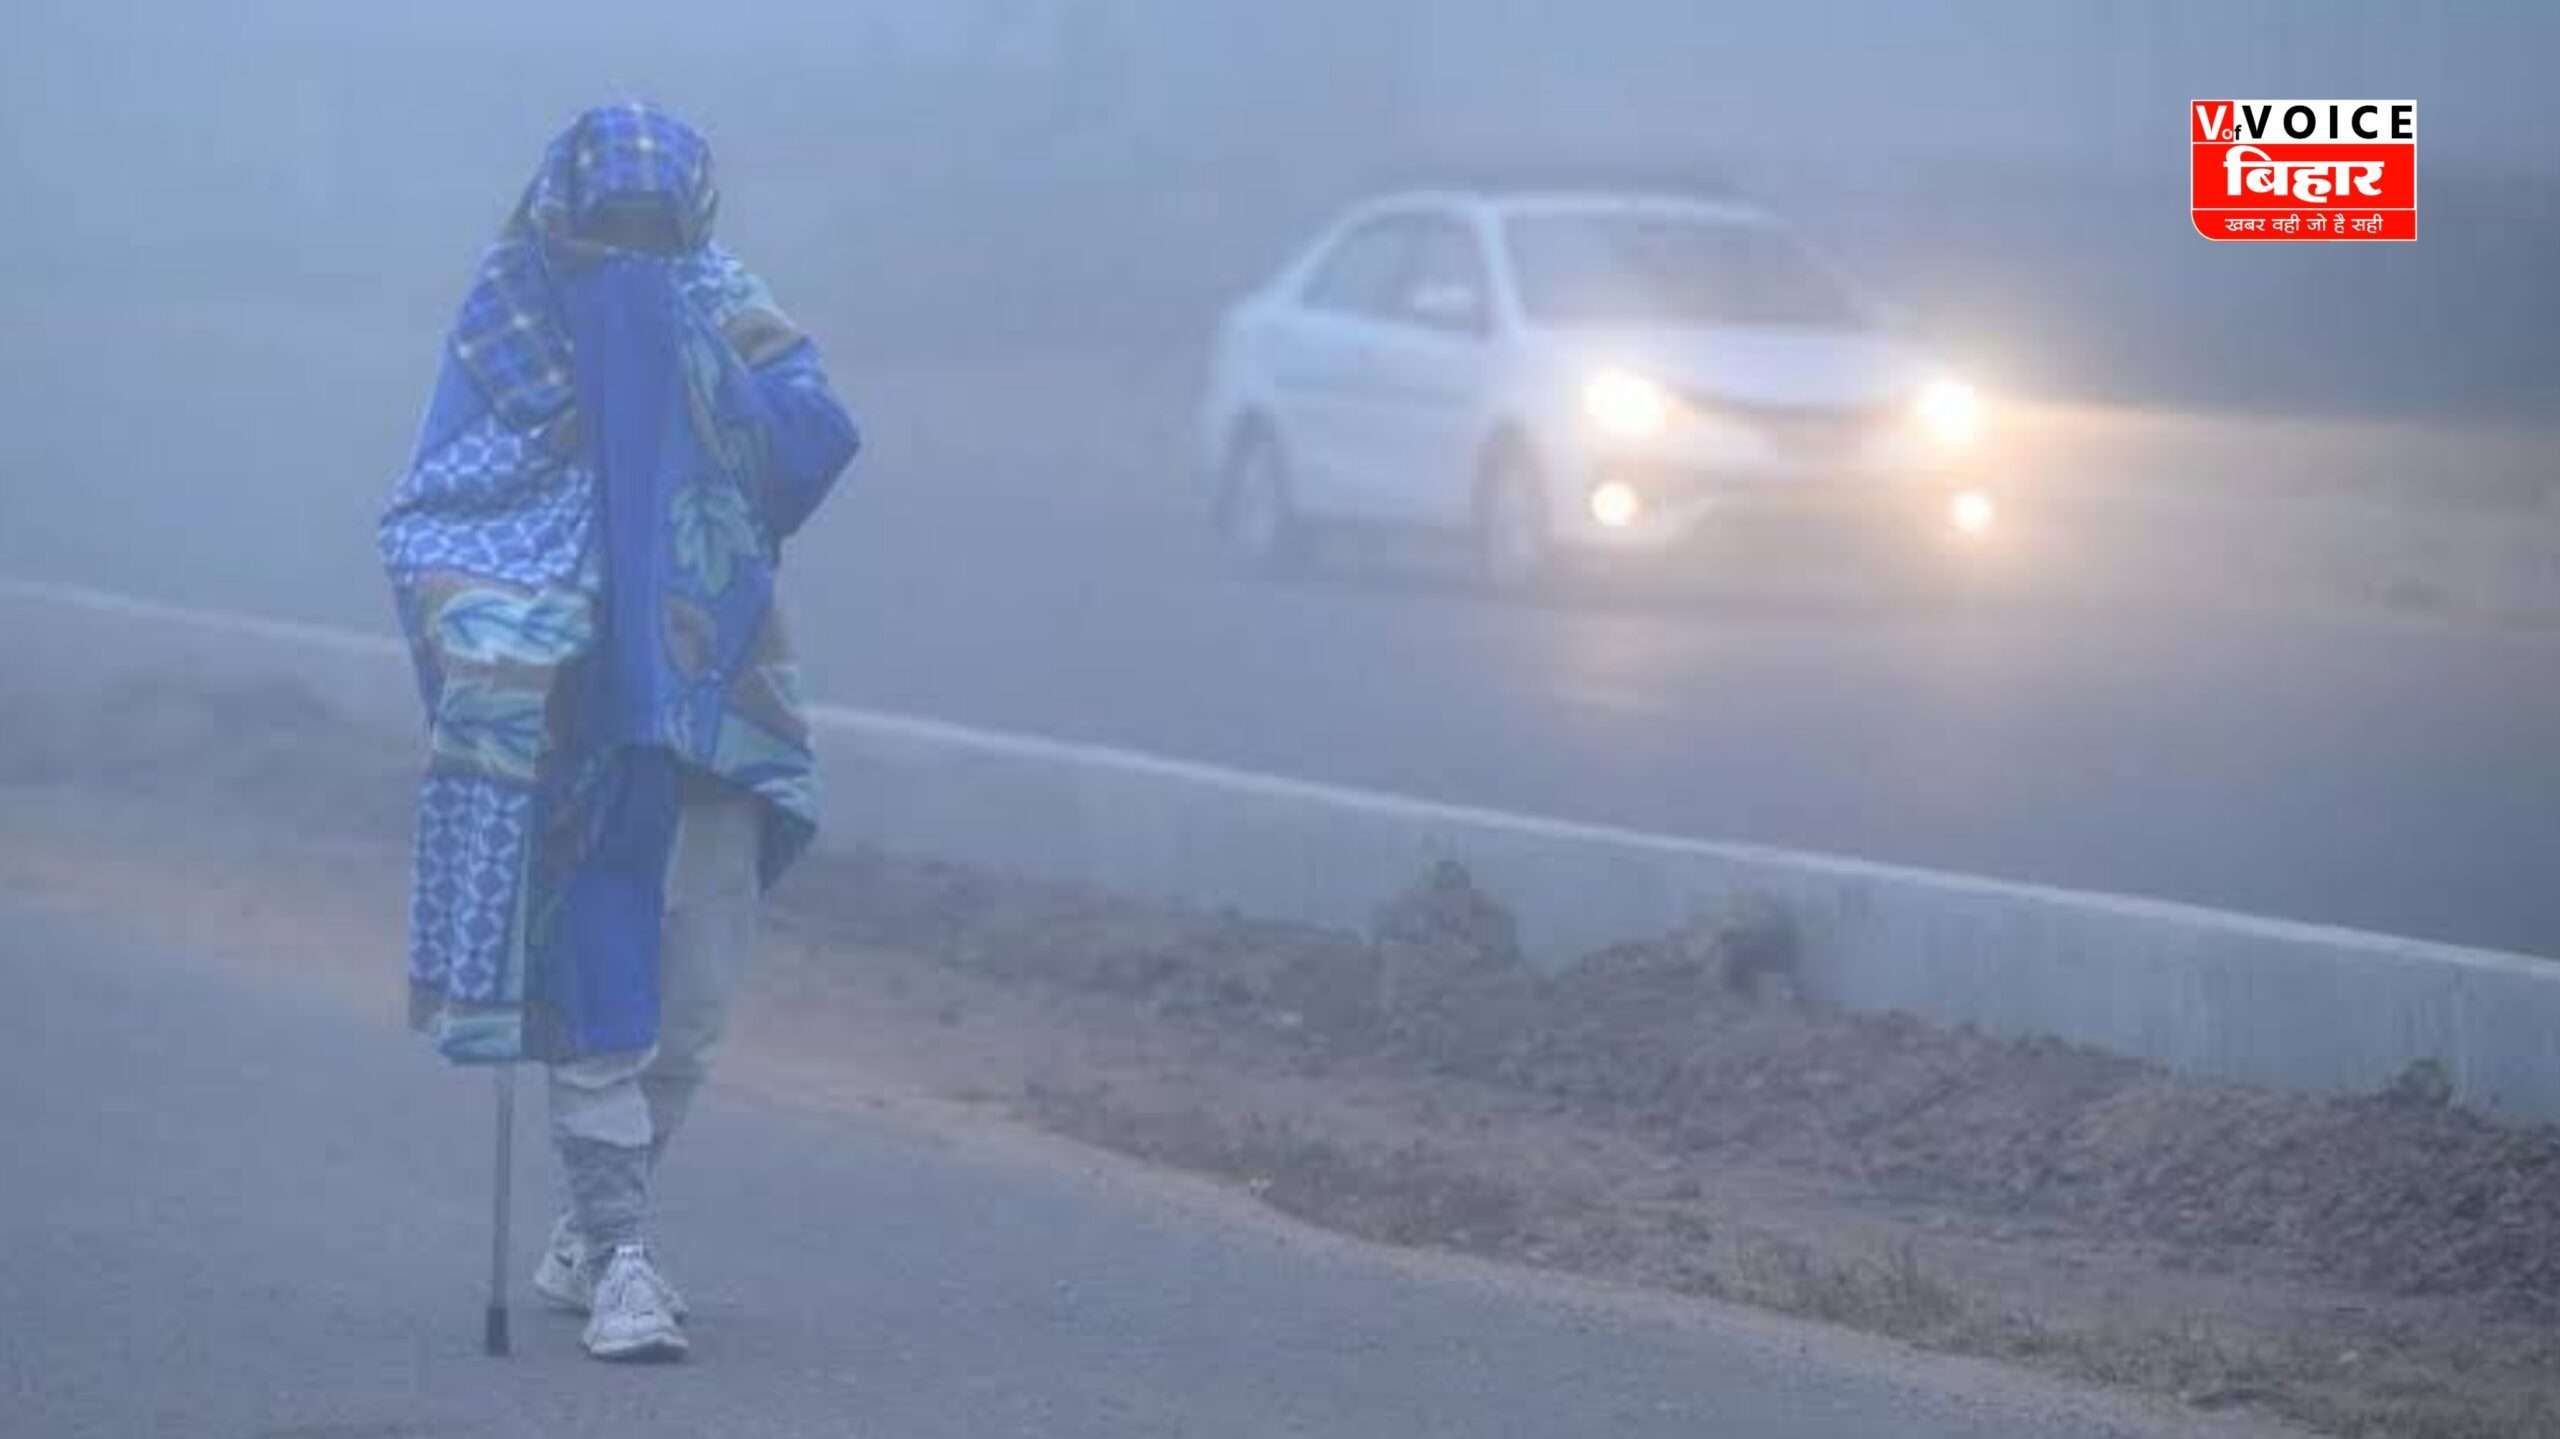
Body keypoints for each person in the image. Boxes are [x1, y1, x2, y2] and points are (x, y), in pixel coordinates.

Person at [378, 103, 858, 1362]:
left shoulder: (720, 300)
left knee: (691, 1000)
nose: (632, 254)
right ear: (564, 220)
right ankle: (624, 1250)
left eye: (657, 229)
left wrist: (678, 360)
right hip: (578, 705)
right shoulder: (510, 327)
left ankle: (592, 1226)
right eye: (612, 233)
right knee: (606, 974)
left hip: (714, 693)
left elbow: (810, 443)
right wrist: (499, 639)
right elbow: (438, 510)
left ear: (690, 220)